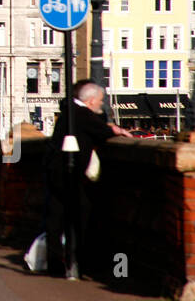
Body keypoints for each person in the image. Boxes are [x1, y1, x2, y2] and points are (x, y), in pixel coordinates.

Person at [43, 80, 130, 278]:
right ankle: (79, 262)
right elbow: (101, 131)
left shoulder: (70, 112)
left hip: (56, 170)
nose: (101, 104)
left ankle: (56, 263)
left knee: (55, 218)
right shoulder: (82, 114)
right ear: (90, 101)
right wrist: (114, 129)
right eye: (99, 101)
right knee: (81, 216)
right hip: (70, 174)